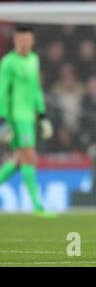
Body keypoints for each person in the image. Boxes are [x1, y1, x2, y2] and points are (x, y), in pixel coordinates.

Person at [0, 25, 54, 216]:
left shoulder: (34, 59)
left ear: (31, 40)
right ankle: (37, 207)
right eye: (20, 39)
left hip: (29, 117)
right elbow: (2, 91)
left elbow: (36, 90)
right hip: (15, 117)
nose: (24, 42)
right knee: (29, 157)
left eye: (27, 39)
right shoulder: (8, 62)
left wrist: (43, 117)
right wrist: (3, 121)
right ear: (15, 41)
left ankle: (37, 206)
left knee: (18, 160)